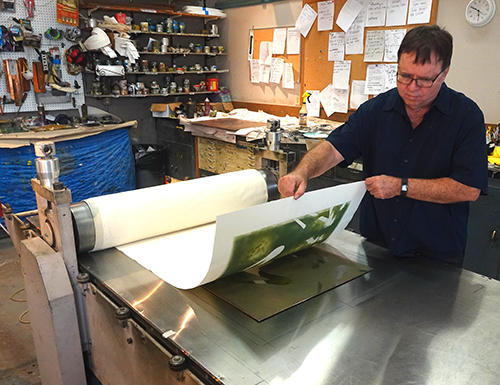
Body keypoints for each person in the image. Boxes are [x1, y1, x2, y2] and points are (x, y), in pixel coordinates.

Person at [278, 25, 488, 266]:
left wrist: (401, 187)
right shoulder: (376, 110)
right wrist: (302, 172)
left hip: (436, 254)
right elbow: (335, 147)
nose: (412, 88)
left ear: (444, 73)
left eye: (424, 80)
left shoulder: (466, 116)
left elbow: (467, 188)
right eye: (405, 76)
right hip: (377, 246)